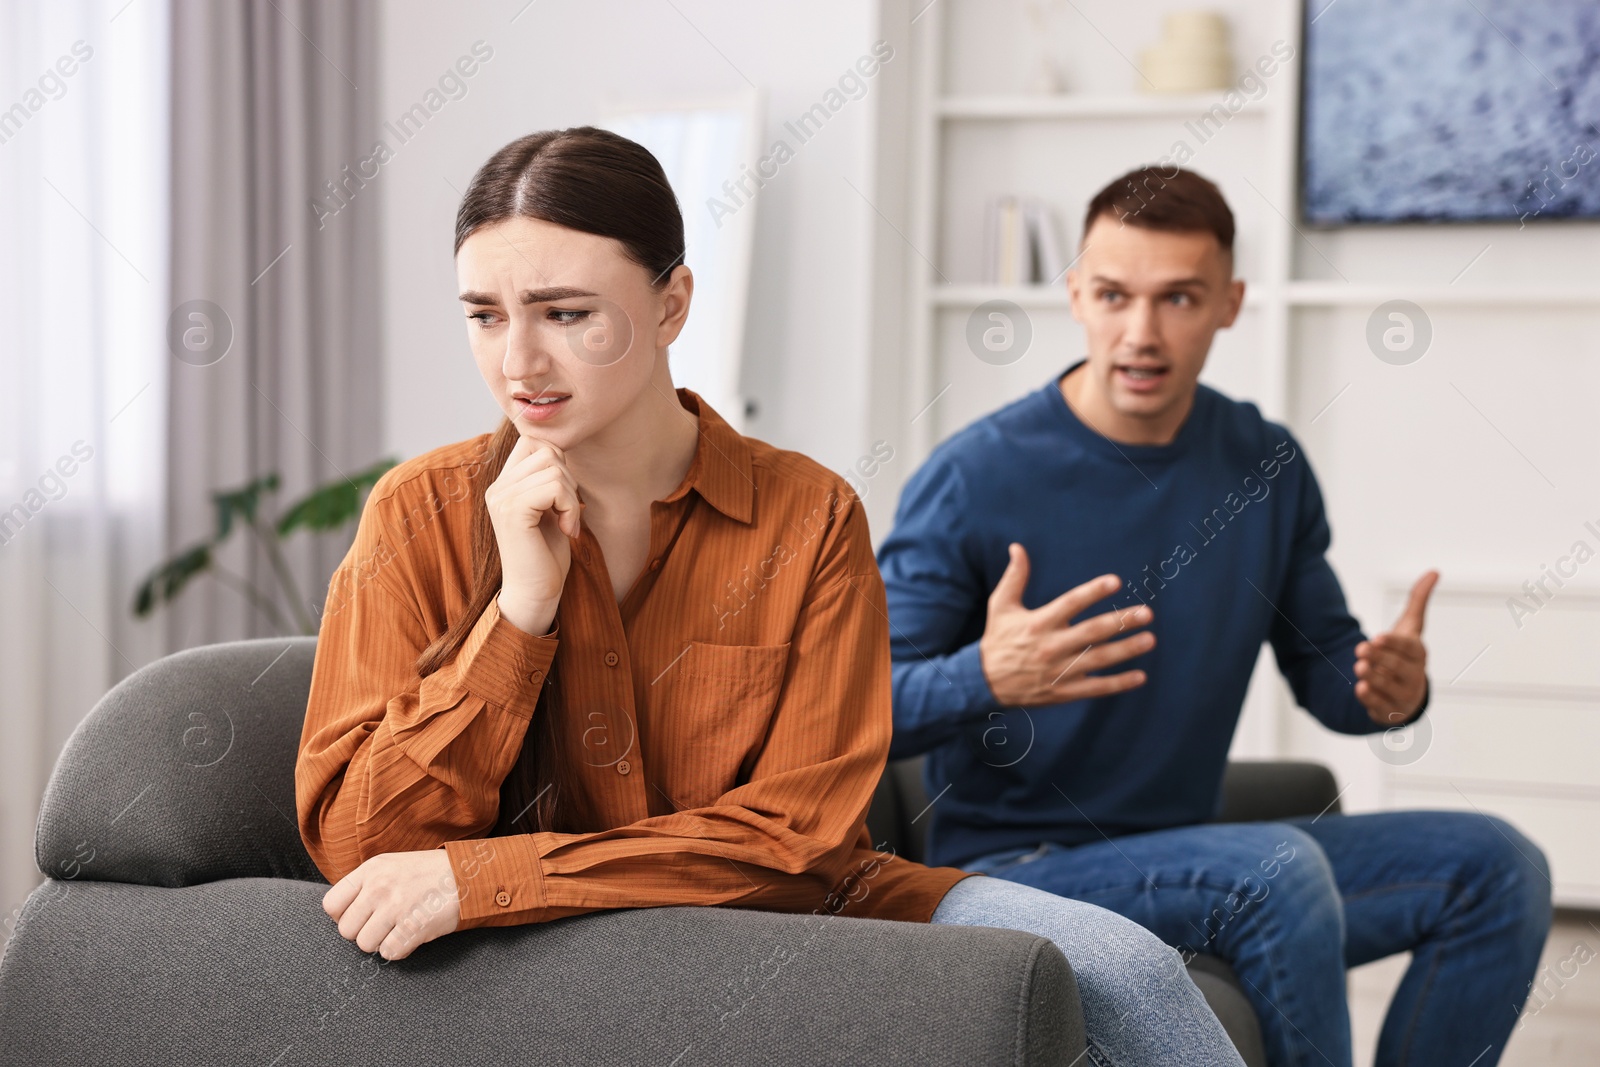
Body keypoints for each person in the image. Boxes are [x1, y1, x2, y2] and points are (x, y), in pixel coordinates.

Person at [292, 128, 1248, 1064]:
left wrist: (495, 876)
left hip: (821, 916)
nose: (519, 364)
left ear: (672, 305)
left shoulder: (810, 515)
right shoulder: (421, 514)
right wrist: (519, 617)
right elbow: (362, 846)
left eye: (567, 313)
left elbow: (797, 841)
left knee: (1129, 969)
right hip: (550, 959)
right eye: (486, 315)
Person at [877, 164, 1554, 1067]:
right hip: (1019, 869)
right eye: (1114, 295)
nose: (1141, 333)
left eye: (1179, 298)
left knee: (1499, 866)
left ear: (1230, 303)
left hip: (1186, 852)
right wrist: (986, 676)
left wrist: (1387, 690)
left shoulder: (1264, 463)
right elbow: (855, 706)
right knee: (1277, 872)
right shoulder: (973, 476)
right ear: (1076, 293)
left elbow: (1330, 674)